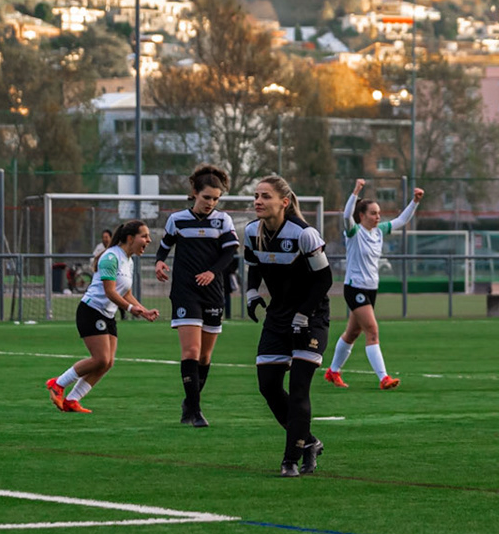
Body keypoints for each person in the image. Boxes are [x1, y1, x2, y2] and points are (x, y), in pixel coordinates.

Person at [242, 175, 332, 476]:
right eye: (256, 196)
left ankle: (290, 459)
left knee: (298, 388)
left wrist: (304, 315)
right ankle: (308, 442)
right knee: (267, 386)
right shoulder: (252, 231)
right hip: (278, 317)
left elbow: (324, 280)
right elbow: (254, 266)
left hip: (312, 316)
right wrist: (252, 291)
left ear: (284, 201)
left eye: (265, 196)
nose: (258, 201)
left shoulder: (304, 234)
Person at [153, 164, 240, 428]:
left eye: (215, 198)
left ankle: (189, 403)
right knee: (191, 350)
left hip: (213, 293)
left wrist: (213, 273)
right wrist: (159, 263)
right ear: (194, 193)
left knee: (205, 356)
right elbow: (163, 248)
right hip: (185, 292)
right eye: (206, 197)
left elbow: (229, 253)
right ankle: (197, 411)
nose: (210, 203)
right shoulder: (177, 219)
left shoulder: (223, 220)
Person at [45, 219, 159, 414]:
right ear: (130, 238)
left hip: (107, 314)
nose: (148, 240)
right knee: (100, 359)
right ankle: (58, 383)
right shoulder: (110, 257)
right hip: (91, 311)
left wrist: (143, 309)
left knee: (107, 362)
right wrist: (131, 309)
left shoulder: (128, 260)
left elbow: (126, 292)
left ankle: (72, 400)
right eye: (144, 236)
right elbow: (110, 292)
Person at [325, 178, 420, 390]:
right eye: (373, 213)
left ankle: (333, 371)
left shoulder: (378, 232)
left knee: (352, 333)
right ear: (362, 215)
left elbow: (401, 220)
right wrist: (356, 191)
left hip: (371, 288)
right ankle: (384, 377)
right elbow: (345, 215)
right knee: (372, 330)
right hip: (355, 288)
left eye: (378, 213)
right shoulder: (354, 232)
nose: (378, 217)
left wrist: (414, 201)